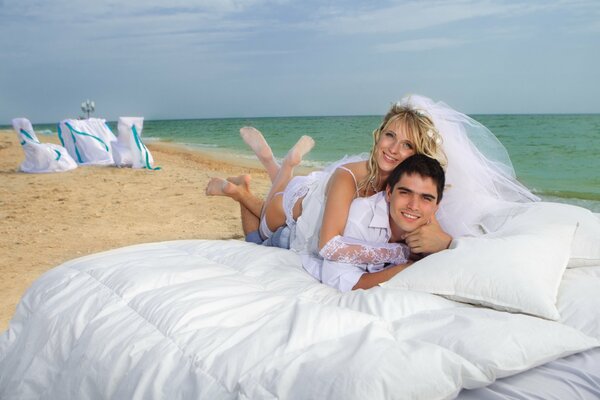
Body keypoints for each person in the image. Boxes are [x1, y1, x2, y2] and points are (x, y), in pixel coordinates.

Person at [206, 99, 452, 260]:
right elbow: (328, 245)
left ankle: (277, 168)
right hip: (291, 207)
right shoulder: (350, 175)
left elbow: (430, 227)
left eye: (407, 145)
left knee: (272, 202)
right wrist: (400, 252)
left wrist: (446, 241)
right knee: (260, 233)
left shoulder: (405, 189)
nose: (394, 149)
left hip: (316, 203)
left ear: (417, 153)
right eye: (390, 136)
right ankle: (251, 182)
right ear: (379, 136)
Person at [321, 154, 446, 291]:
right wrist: (402, 270)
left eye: (426, 198)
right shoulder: (361, 217)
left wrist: (446, 243)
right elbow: (336, 279)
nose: (414, 206)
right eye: (405, 192)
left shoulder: (433, 229)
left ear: (436, 206)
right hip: (310, 213)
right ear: (389, 193)